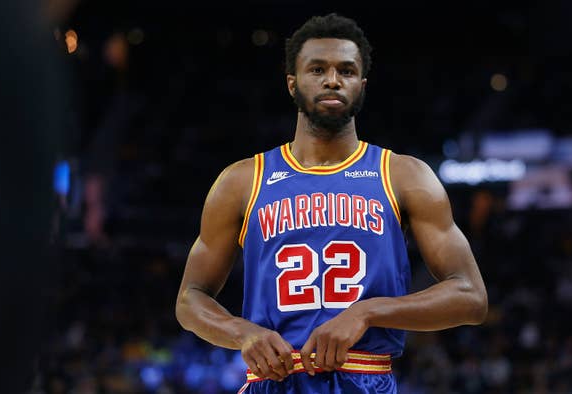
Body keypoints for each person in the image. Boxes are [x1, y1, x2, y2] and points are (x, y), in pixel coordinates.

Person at [176, 13, 488, 393]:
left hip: (365, 377)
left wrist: (367, 312)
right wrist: (240, 332)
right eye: (317, 69)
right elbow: (190, 298)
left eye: (347, 70)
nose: (332, 79)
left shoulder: (403, 175)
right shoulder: (242, 180)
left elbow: (471, 296)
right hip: (274, 380)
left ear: (362, 84)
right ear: (292, 84)